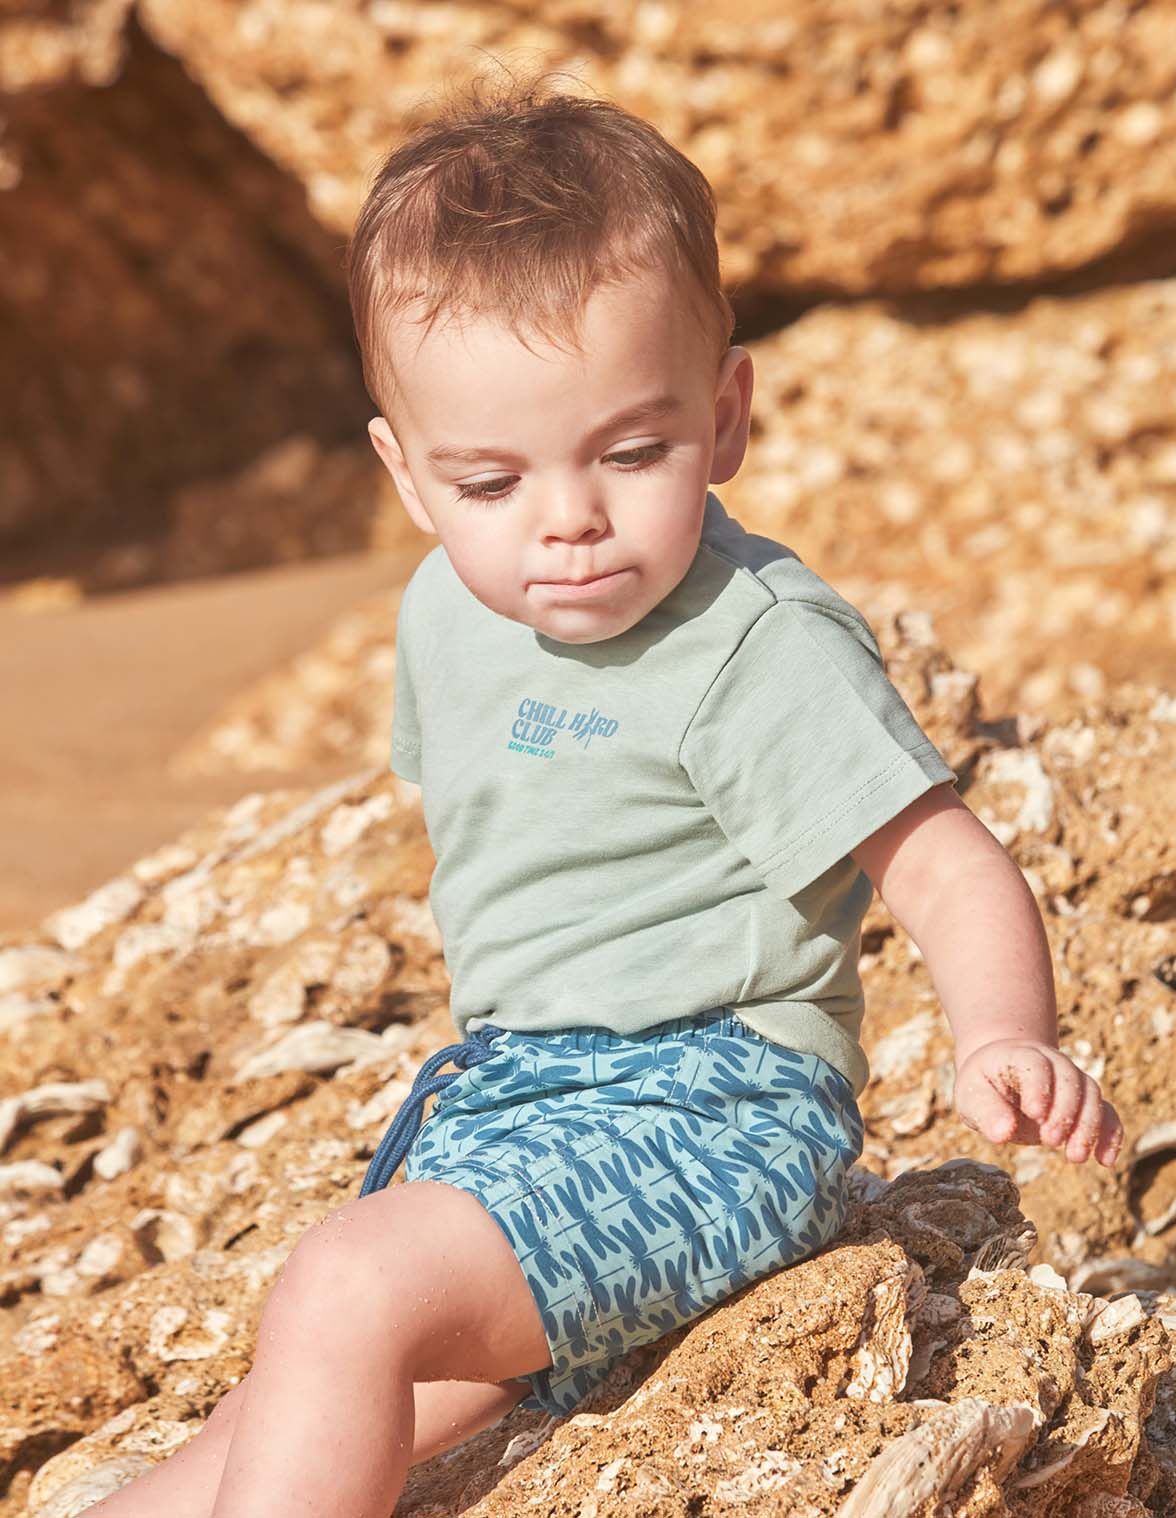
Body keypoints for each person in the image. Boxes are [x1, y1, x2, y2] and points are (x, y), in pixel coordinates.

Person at [88, 65, 1123, 1518]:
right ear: (407, 476)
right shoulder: (445, 614)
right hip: (510, 1107)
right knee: (280, 1406)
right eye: (490, 482)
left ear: (727, 414)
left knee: (346, 1287)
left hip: (719, 1110)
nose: (568, 520)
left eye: (632, 454)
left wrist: (1003, 1034)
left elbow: (944, 860)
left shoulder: (755, 643)